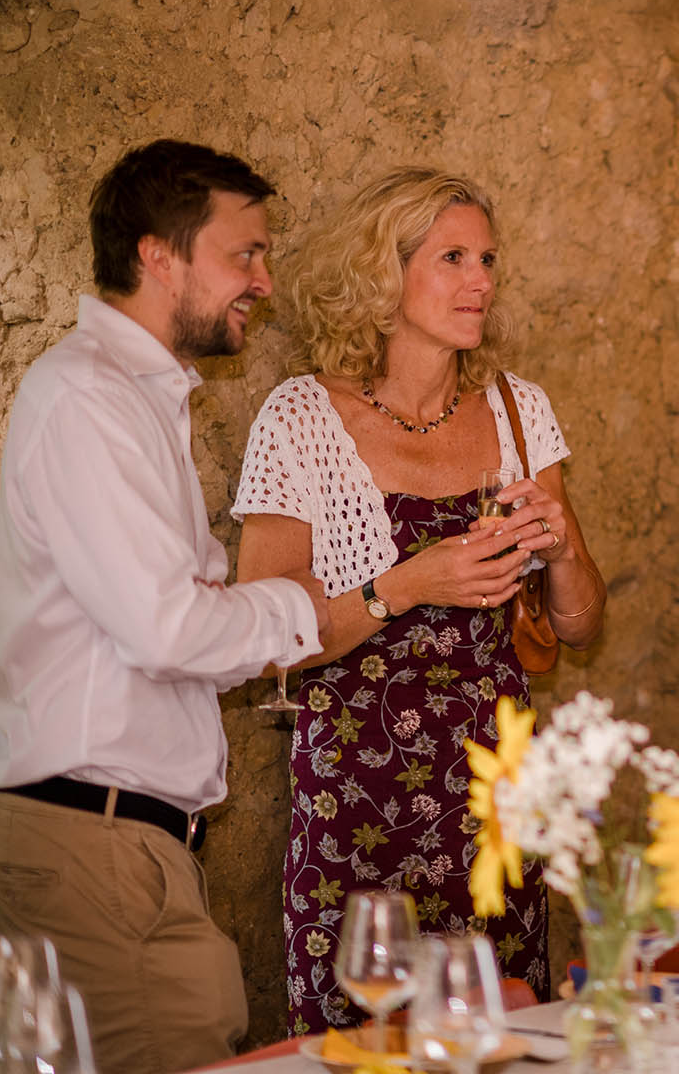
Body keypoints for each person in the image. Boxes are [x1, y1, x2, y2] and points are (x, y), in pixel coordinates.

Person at [0, 139, 332, 1073]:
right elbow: (169, 628)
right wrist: (299, 603)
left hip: (114, 844)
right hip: (95, 844)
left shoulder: (137, 396)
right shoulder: (90, 396)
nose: (263, 281)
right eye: (244, 254)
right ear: (158, 256)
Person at [233, 168, 604, 1032]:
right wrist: (405, 586)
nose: (481, 281)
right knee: (364, 1036)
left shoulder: (519, 411)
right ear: (382, 272)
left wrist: (562, 547)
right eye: (452, 258)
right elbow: (261, 639)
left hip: (496, 797)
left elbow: (583, 627)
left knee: (501, 1032)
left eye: (488, 260)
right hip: (357, 796)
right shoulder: (300, 418)